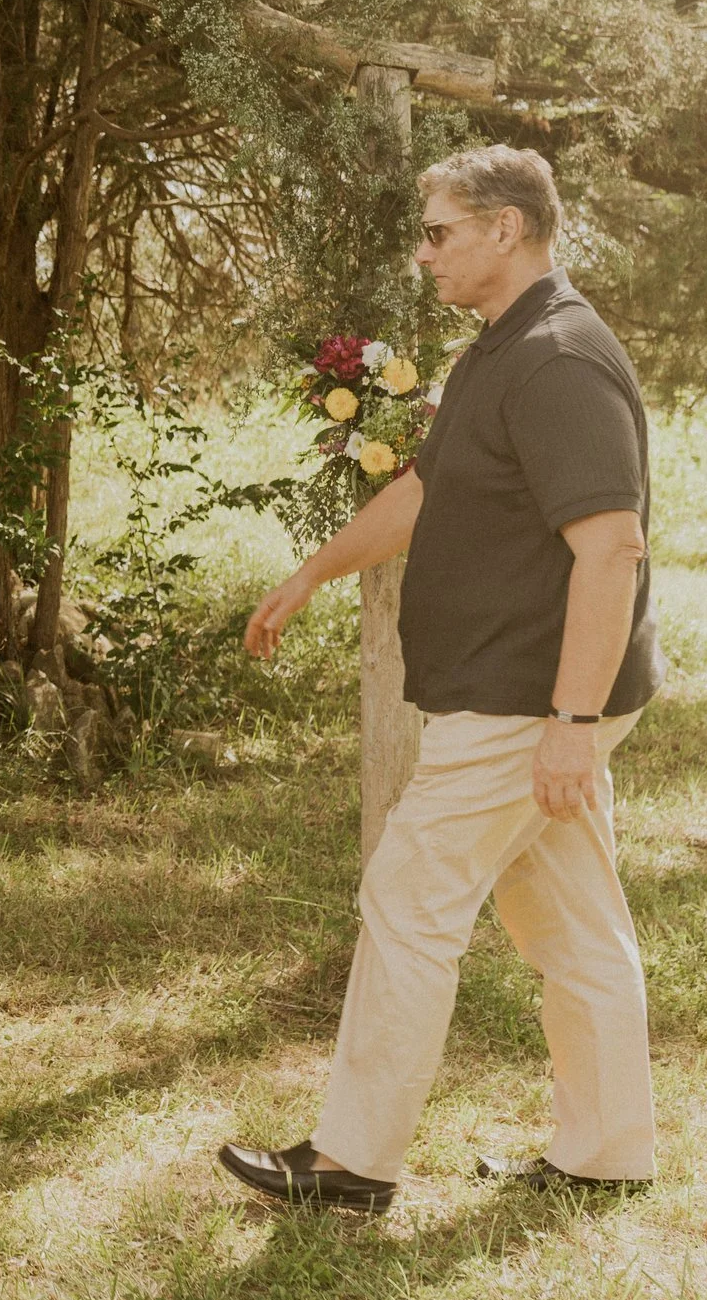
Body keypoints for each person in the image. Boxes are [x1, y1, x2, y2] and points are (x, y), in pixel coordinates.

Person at [217, 143, 666, 1213]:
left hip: (524, 699)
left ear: (505, 228)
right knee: (571, 921)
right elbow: (428, 484)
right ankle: (606, 1147)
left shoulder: (558, 357)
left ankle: (350, 1160)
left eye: (439, 232)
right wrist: (316, 567)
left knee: (409, 898)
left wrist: (569, 719)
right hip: (521, 694)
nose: (424, 255)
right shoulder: (501, 345)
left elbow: (611, 548)